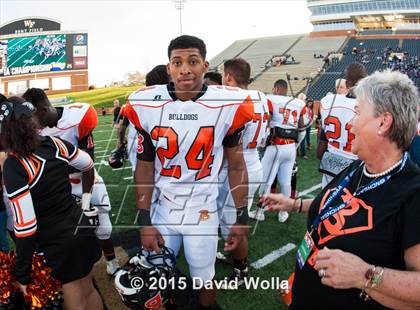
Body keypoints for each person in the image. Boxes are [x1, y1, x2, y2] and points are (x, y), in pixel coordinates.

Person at [261, 70, 420, 309]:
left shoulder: (413, 194)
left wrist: (365, 274)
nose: (350, 123)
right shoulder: (359, 167)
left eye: (357, 113)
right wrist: (294, 204)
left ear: (383, 123)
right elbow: (340, 203)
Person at [125, 35, 253, 309]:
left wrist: (240, 216)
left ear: (205, 66)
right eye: (177, 62)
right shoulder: (146, 104)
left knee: (203, 278)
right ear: (168, 68)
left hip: (202, 210)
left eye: (192, 61)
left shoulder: (228, 104)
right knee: (154, 275)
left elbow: (237, 165)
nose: (185, 69)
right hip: (163, 207)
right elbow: (145, 167)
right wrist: (144, 221)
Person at [0, 96, 103, 309]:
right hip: (80, 225)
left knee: (73, 295)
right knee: (89, 288)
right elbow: (88, 164)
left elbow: (26, 226)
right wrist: (84, 203)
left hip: (58, 241)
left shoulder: (15, 164)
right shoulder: (55, 143)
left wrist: (22, 272)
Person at [22, 88, 120, 275]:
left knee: (103, 227)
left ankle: (112, 261)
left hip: (85, 177)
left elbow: (87, 165)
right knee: (66, 232)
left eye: (32, 117)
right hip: (57, 184)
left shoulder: (78, 116)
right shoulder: (34, 128)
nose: (31, 124)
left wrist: (85, 201)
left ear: (42, 110)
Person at [217, 58, 269, 286]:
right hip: (255, 161)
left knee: (234, 224)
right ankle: (233, 256)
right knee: (234, 219)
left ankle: (241, 272)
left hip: (237, 167)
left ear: (229, 76)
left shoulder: (231, 98)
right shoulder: (262, 97)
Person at [249, 79, 306, 222]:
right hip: (290, 147)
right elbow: (302, 129)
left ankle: (260, 212)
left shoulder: (270, 99)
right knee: (285, 181)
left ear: (275, 89)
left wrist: (263, 141)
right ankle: (283, 213)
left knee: (265, 181)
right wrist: (294, 145)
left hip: (275, 145)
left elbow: (265, 122)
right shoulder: (298, 103)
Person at [317, 63, 368, 188]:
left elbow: (322, 141)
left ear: (347, 83)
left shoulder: (328, 101)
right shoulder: (369, 106)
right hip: (356, 165)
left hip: (332, 162)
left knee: (326, 201)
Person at [116, 65, 170, 173]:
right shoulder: (174, 99)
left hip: (138, 143)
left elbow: (121, 127)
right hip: (166, 143)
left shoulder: (138, 99)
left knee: (142, 174)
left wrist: (121, 143)